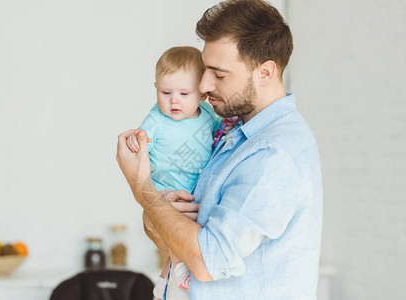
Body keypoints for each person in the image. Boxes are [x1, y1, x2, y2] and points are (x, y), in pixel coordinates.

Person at [117, 0, 323, 299]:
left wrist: (142, 188)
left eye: (219, 74)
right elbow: (167, 235)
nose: (203, 84)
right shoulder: (230, 132)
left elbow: (206, 261)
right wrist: (156, 209)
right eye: (204, 69)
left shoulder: (274, 154)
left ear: (264, 72)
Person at [126, 46, 229, 300]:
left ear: (202, 95)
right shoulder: (157, 120)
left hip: (195, 188)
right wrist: (134, 142)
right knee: (174, 230)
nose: (174, 100)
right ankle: (179, 269)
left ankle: (163, 282)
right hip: (166, 187)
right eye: (165, 92)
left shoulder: (206, 115)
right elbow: (140, 141)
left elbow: (219, 127)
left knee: (189, 232)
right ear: (155, 88)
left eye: (184, 93)